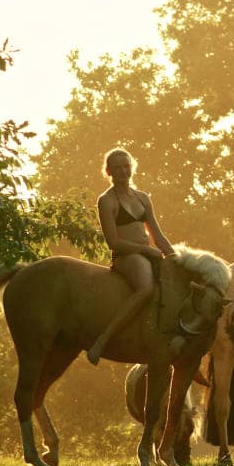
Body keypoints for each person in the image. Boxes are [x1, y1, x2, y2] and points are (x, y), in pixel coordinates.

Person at [88, 148, 176, 365]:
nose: (123, 171)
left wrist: (175, 258)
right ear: (108, 171)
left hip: (149, 254)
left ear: (132, 166)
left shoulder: (143, 198)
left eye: (126, 166)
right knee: (146, 288)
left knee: (177, 284)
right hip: (127, 256)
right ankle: (103, 340)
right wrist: (145, 250)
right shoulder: (106, 200)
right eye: (117, 167)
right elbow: (113, 242)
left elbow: (158, 236)